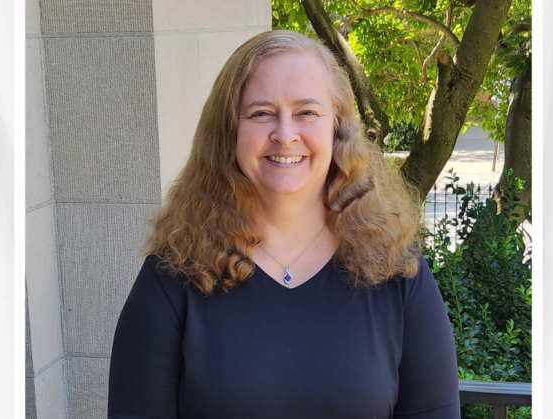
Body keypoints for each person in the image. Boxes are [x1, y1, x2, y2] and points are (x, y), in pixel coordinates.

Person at [107, 30, 460, 419]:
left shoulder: (397, 272)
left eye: (306, 112)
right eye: (261, 113)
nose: (286, 134)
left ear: (337, 128)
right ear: (230, 133)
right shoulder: (174, 275)